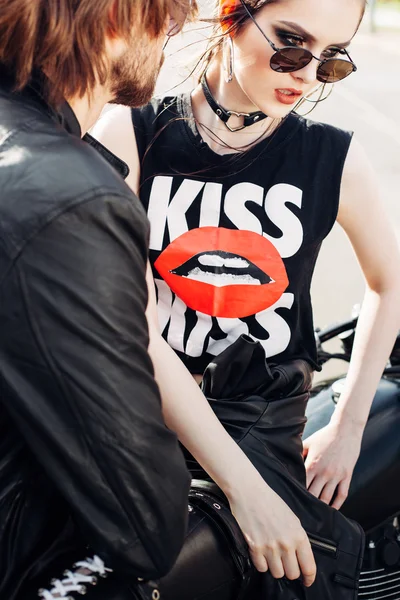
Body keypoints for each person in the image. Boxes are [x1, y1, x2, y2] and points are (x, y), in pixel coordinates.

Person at [92, 0, 400, 597]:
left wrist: (347, 427)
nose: (306, 76)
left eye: (331, 60)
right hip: (141, 410)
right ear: (233, 15)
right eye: (290, 42)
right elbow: (128, 327)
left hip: (259, 416)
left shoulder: (333, 156)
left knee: (269, 567)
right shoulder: (130, 133)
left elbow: (389, 283)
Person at [0, 1, 199, 599]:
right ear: (118, 18)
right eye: (168, 21)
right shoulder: (74, 199)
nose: (171, 41)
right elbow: (146, 524)